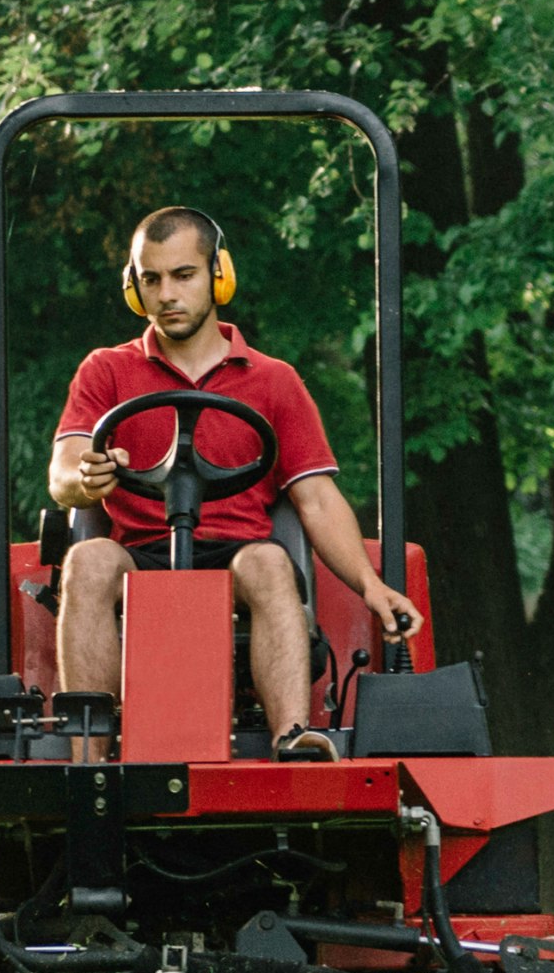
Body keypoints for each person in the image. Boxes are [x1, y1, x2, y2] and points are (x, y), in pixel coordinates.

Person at [50, 206, 422, 753]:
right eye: (150, 280)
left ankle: (293, 739)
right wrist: (86, 478)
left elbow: (316, 499)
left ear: (218, 276)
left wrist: (372, 587)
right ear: (134, 288)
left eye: (183, 275)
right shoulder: (106, 369)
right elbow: (64, 471)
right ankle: (88, 758)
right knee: (87, 558)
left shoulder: (274, 380)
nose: (166, 294)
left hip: (238, 557)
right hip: (141, 556)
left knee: (271, 560)